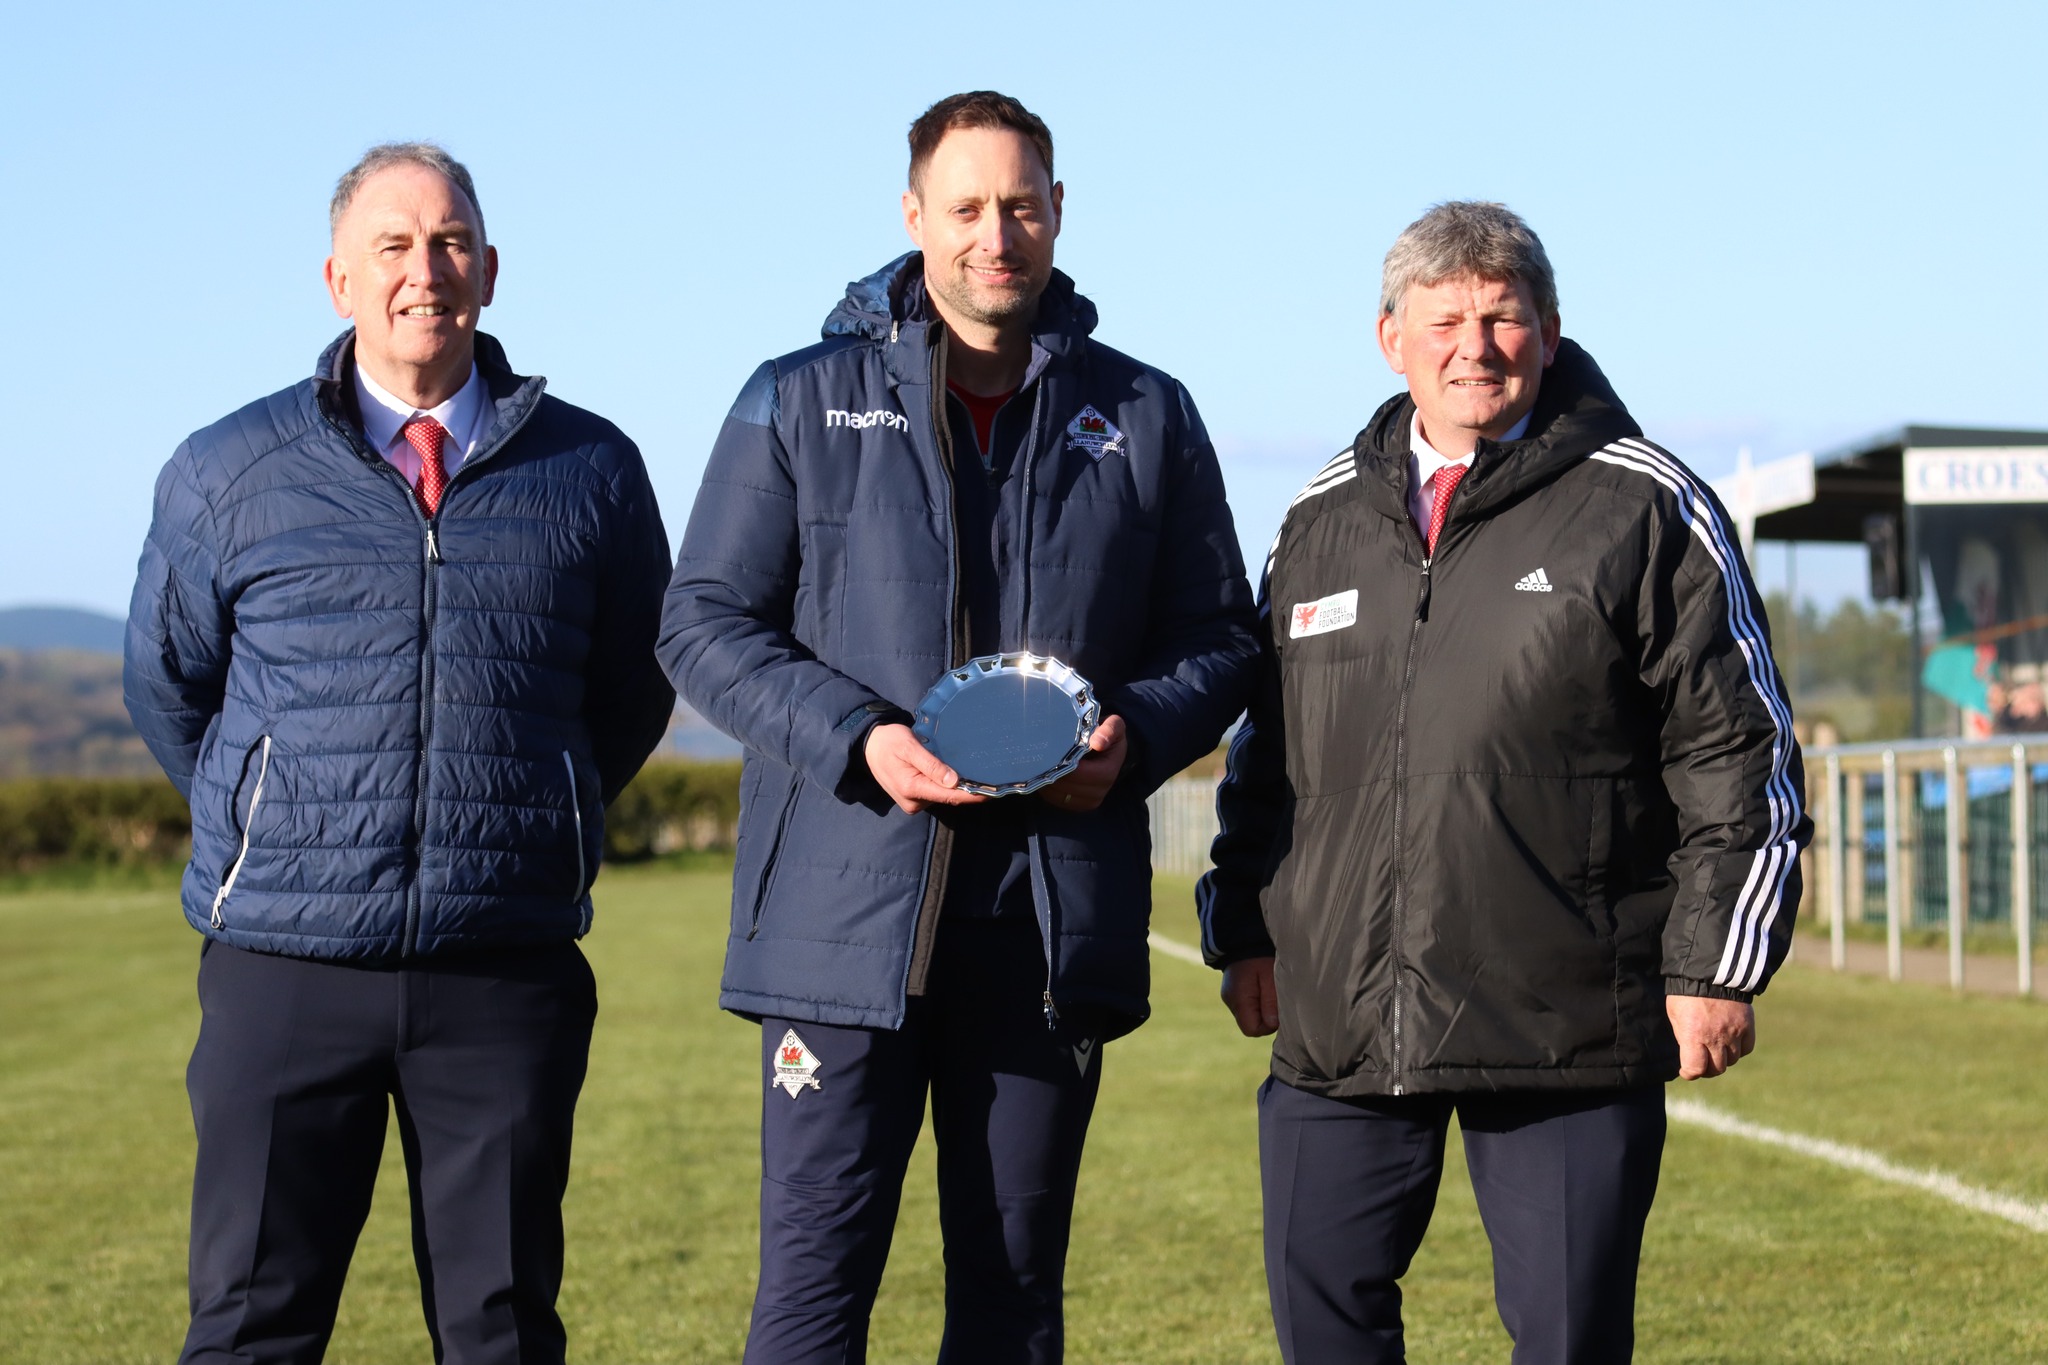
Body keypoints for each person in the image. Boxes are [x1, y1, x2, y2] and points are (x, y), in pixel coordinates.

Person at [660, 91, 1258, 1364]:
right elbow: (701, 623)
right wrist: (858, 740)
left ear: (1056, 216)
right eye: (969, 206)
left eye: (1022, 205)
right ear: (913, 217)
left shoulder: (1146, 413)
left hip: (1044, 930)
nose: (998, 233)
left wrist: (1132, 740)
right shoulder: (796, 400)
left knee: (1011, 1302)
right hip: (841, 925)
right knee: (812, 1304)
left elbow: (1221, 636)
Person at [1197, 201, 1809, 1365]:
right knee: (1321, 1323)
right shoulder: (1315, 522)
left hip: (1564, 1014)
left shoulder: (1643, 504)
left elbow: (1737, 749)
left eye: (1500, 317)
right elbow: (1264, 755)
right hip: (1340, 1013)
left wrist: (1713, 964)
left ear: (1549, 327)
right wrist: (1244, 929)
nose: (1472, 346)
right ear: (1388, 337)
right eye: (1443, 320)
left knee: (1567, 1340)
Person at [123, 142, 674, 1365]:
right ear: (336, 278)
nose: (426, 270)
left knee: (503, 1332)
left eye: (451, 242)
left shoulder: (591, 471)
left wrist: (539, 806)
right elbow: (168, 685)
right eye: (393, 245)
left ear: (489, 267)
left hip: (503, 970)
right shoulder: (230, 469)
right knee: (252, 1328)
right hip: (282, 963)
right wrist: (279, 815)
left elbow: (631, 689)